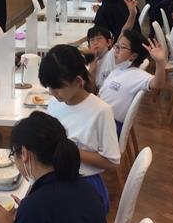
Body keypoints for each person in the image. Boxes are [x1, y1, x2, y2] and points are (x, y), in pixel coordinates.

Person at [40, 45, 120, 211]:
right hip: (56, 179)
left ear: (78, 81)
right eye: (49, 87)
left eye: (56, 87)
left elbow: (112, 162)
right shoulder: (55, 103)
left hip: (85, 184)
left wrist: (70, 150)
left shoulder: (101, 111)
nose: (52, 92)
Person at [99, 30, 167, 134]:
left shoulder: (137, 75)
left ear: (133, 56)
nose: (116, 50)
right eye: (117, 46)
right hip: (101, 118)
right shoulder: (117, 70)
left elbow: (158, 84)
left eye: (122, 47)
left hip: (110, 126)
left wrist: (160, 62)